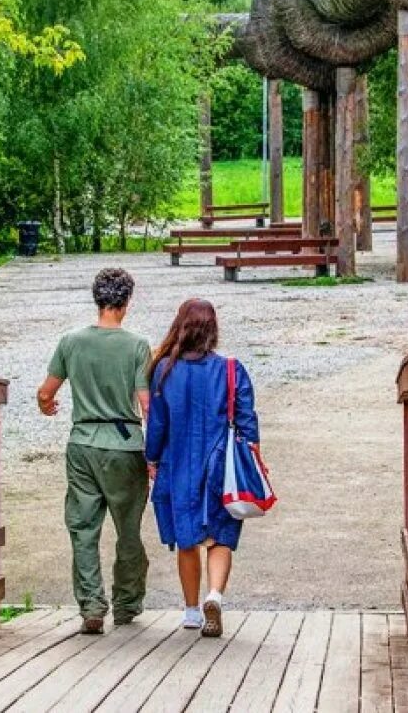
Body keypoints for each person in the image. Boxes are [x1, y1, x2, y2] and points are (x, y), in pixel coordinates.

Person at [37, 268, 152, 635]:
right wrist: (155, 453)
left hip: (83, 443)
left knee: (83, 527)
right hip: (125, 445)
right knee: (128, 528)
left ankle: (91, 604)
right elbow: (147, 404)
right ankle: (126, 602)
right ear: (127, 302)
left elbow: (45, 392)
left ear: (97, 299)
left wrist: (47, 406)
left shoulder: (70, 342)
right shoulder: (137, 345)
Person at [145, 298, 259, 638]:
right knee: (220, 537)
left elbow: (157, 425)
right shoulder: (231, 369)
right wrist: (250, 460)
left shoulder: (164, 371)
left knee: (187, 539)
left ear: (180, 327)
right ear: (213, 330)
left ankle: (192, 611)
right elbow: (248, 422)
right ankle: (215, 595)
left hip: (178, 464)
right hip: (220, 466)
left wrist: (152, 458)